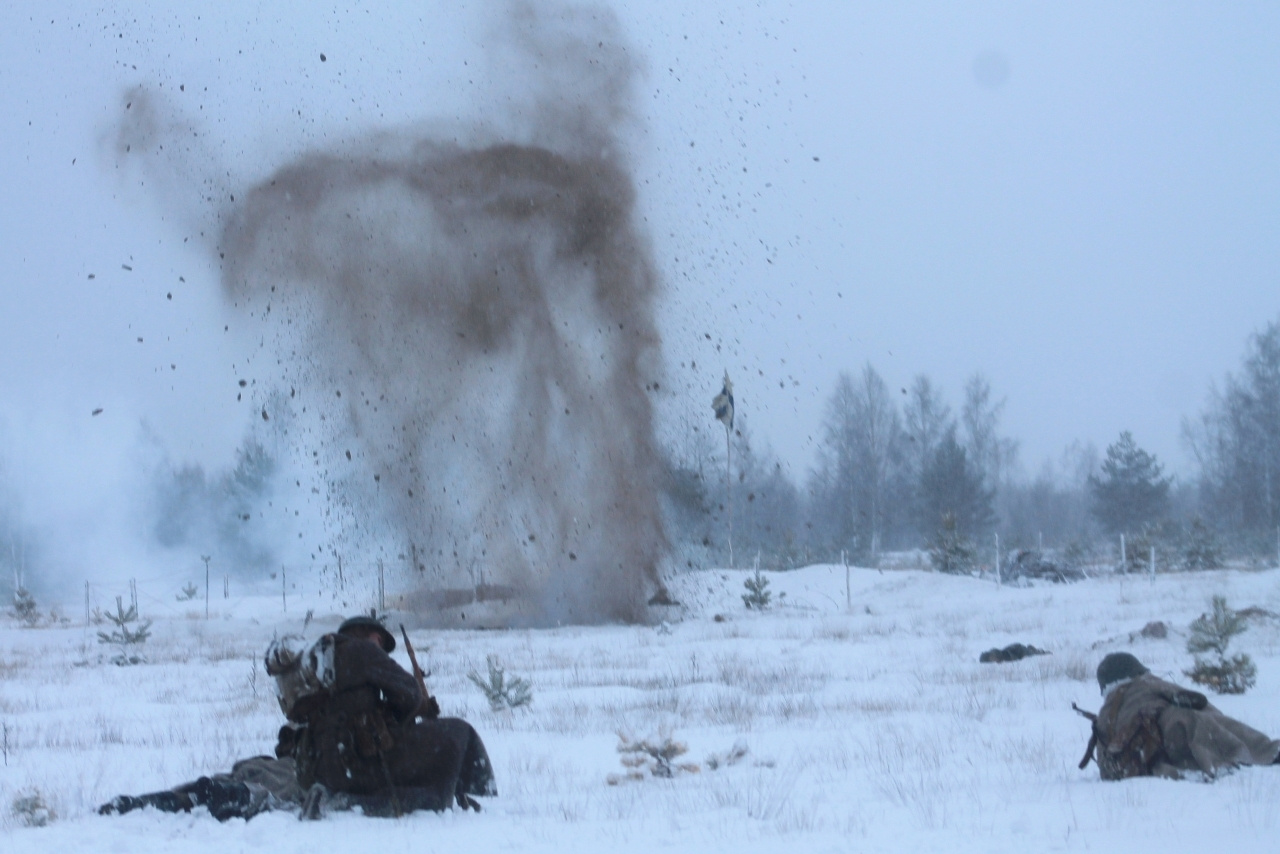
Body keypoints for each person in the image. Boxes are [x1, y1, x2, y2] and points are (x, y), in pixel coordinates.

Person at [266, 615, 496, 817]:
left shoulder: (322, 665)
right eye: (380, 643)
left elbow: (341, 712)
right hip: (356, 766)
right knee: (457, 731)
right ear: (371, 635)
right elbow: (410, 694)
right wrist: (416, 709)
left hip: (319, 770)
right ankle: (445, 794)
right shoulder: (362, 651)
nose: (381, 650)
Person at [1077, 652, 1280, 780]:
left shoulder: (1105, 712)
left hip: (1130, 766)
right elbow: (1202, 705)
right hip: (1169, 743)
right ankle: (1266, 751)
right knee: (1190, 717)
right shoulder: (1146, 683)